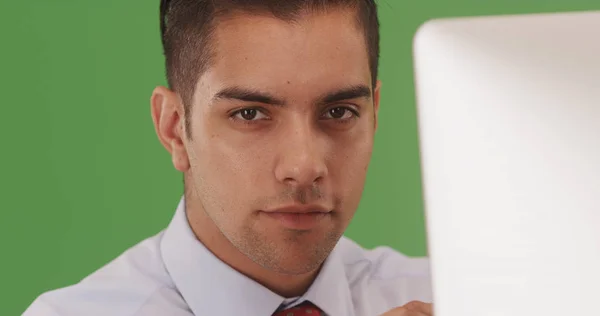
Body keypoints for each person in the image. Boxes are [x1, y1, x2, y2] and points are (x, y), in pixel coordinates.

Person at [23, 0, 433, 315]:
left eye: (339, 112)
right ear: (174, 129)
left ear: (375, 114)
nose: (304, 166)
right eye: (249, 114)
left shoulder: (451, 295)